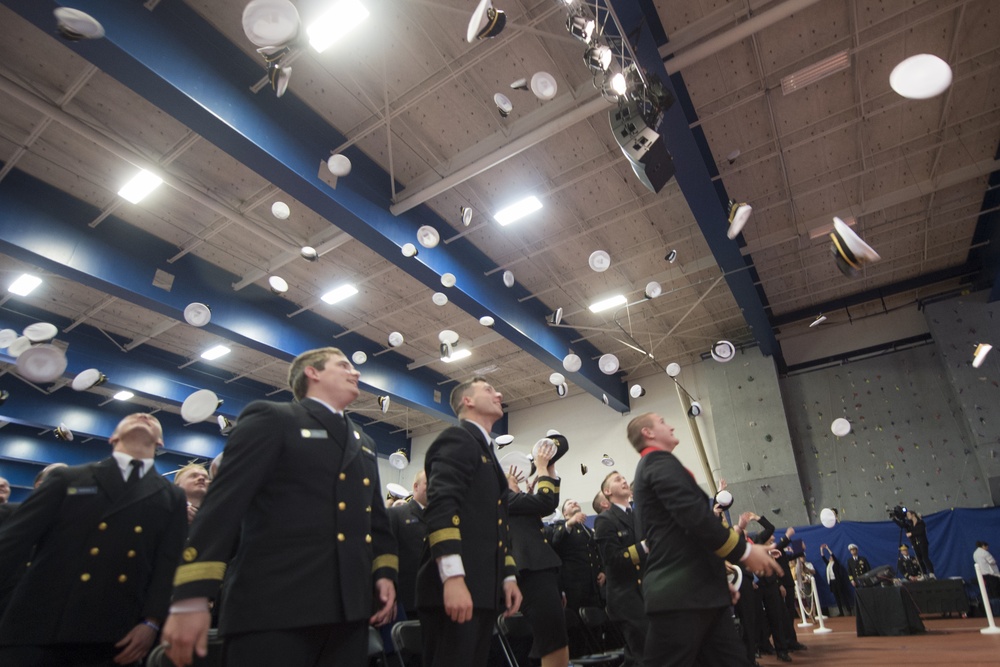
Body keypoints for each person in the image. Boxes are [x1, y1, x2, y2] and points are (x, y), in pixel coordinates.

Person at [162, 347, 398, 667]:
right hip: (274, 606)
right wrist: (191, 597)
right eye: (343, 365)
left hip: (348, 612)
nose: (355, 372)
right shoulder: (274, 418)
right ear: (311, 373)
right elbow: (223, 506)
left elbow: (376, 521)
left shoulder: (365, 442)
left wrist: (384, 573)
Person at [0, 413, 188, 666]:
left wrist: (151, 622)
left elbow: (168, 566)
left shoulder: (172, 497)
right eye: (133, 416)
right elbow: (12, 543)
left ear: (160, 443)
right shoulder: (68, 479)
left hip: (116, 635)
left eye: (153, 420)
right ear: (113, 437)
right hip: (42, 625)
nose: (144, 415)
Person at [629, 413, 782, 667]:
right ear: (648, 433)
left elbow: (687, 535)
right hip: (678, 593)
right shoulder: (658, 463)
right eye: (663, 422)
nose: (672, 425)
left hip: (696, 592)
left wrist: (715, 582)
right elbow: (695, 518)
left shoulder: (658, 466)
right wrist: (744, 552)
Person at [416, 377, 521, 667]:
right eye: (488, 389)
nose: (499, 393)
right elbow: (442, 506)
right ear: (468, 401)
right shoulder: (458, 438)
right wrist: (452, 577)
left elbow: (497, 524)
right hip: (456, 586)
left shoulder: (485, 450)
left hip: (482, 587)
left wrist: (508, 577)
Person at [506, 441, 567, 667]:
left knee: (546, 638)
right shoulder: (504, 498)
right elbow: (544, 501)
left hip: (540, 571)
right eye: (515, 482)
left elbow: (548, 504)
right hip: (531, 572)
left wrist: (549, 471)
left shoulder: (516, 502)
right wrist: (541, 467)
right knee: (552, 640)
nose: (520, 486)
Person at [593, 470, 647, 667]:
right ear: (607, 491)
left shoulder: (638, 514)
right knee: (644, 653)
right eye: (617, 480)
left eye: (624, 478)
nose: (624, 480)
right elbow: (613, 559)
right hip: (627, 598)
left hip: (646, 593)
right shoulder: (605, 520)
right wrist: (644, 547)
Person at [547, 498, 604, 659]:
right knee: (578, 632)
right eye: (569, 504)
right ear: (565, 513)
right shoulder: (560, 527)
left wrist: (603, 570)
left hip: (593, 588)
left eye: (576, 502)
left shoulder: (587, 530)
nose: (574, 504)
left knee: (596, 632)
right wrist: (569, 523)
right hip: (574, 589)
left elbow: (598, 553)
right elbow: (555, 542)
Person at [389, 469, 429, 621]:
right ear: (416, 486)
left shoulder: (438, 518)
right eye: (427, 483)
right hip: (404, 601)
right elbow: (388, 554)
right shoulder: (396, 515)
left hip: (431, 602)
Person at [818, 544, 852, 616]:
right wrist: (821, 550)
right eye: (829, 558)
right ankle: (841, 612)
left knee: (843, 596)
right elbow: (823, 557)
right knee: (837, 598)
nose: (830, 558)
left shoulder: (836, 564)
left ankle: (849, 610)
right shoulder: (828, 565)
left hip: (838, 582)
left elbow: (832, 555)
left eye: (831, 557)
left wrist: (827, 548)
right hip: (832, 582)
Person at [905, 510, 934, 576]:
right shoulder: (911, 524)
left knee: (925, 558)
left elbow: (920, 531)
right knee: (919, 559)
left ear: (913, 515)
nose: (908, 516)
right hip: (916, 544)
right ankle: (924, 574)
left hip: (922, 542)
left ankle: (932, 573)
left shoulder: (920, 522)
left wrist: (911, 533)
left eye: (909, 514)